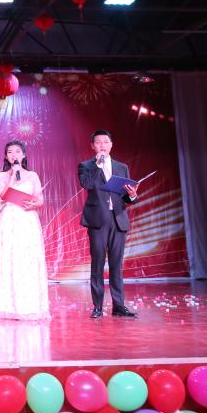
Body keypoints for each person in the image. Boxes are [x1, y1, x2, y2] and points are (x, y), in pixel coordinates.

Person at [78, 129, 139, 319]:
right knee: (97, 264)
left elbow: (126, 196)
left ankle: (118, 305)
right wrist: (97, 165)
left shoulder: (122, 167)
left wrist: (132, 195)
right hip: (97, 220)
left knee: (116, 264)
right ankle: (97, 306)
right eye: (98, 142)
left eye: (106, 142)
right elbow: (87, 184)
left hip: (118, 220)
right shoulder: (86, 166)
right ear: (92, 146)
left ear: (111, 144)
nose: (102, 145)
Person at [0, 140, 50, 320]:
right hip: (10, 220)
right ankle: (8, 306)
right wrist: (12, 175)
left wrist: (34, 204)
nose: (14, 155)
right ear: (6, 156)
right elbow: (3, 195)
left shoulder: (32, 175)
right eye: (10, 152)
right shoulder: (2, 176)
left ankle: (29, 305)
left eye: (17, 151)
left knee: (27, 259)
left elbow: (40, 199)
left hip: (27, 219)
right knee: (10, 259)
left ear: (23, 155)